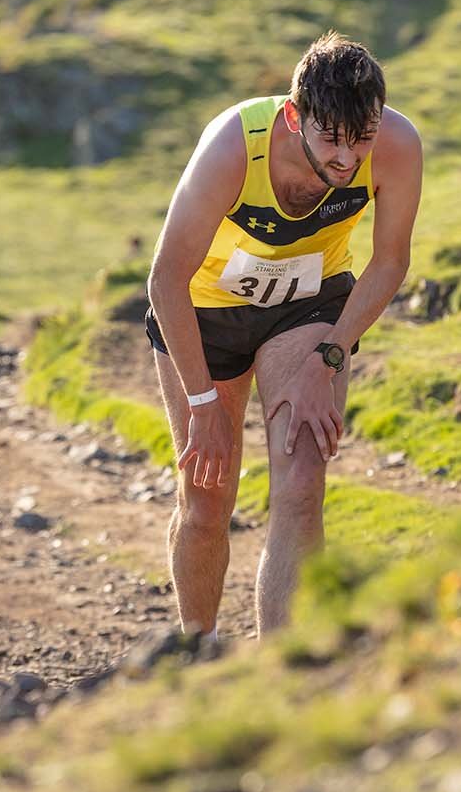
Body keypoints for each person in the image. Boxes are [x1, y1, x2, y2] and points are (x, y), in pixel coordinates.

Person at [143, 32, 423, 639]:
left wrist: (328, 359)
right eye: (332, 140)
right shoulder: (233, 146)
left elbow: (388, 263)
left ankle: (283, 669)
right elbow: (165, 280)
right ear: (295, 117)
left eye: (362, 140)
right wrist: (202, 406)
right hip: (204, 306)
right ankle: (199, 649)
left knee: (301, 484)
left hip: (308, 306)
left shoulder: (397, 145)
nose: (348, 159)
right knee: (207, 498)